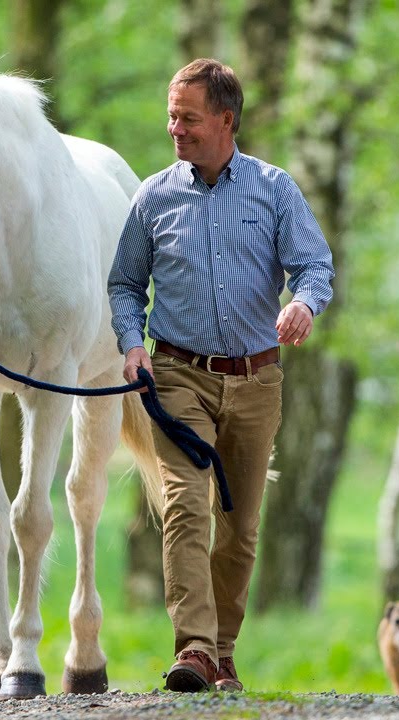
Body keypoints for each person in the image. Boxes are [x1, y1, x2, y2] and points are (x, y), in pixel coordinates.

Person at [107, 58, 335, 693]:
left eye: (189, 118)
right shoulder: (151, 197)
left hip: (258, 380)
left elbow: (315, 263)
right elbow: (125, 285)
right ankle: (195, 650)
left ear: (227, 121)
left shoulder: (275, 189)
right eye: (171, 116)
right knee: (184, 505)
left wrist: (303, 303)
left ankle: (223, 652)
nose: (175, 129)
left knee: (239, 528)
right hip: (178, 375)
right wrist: (132, 343)